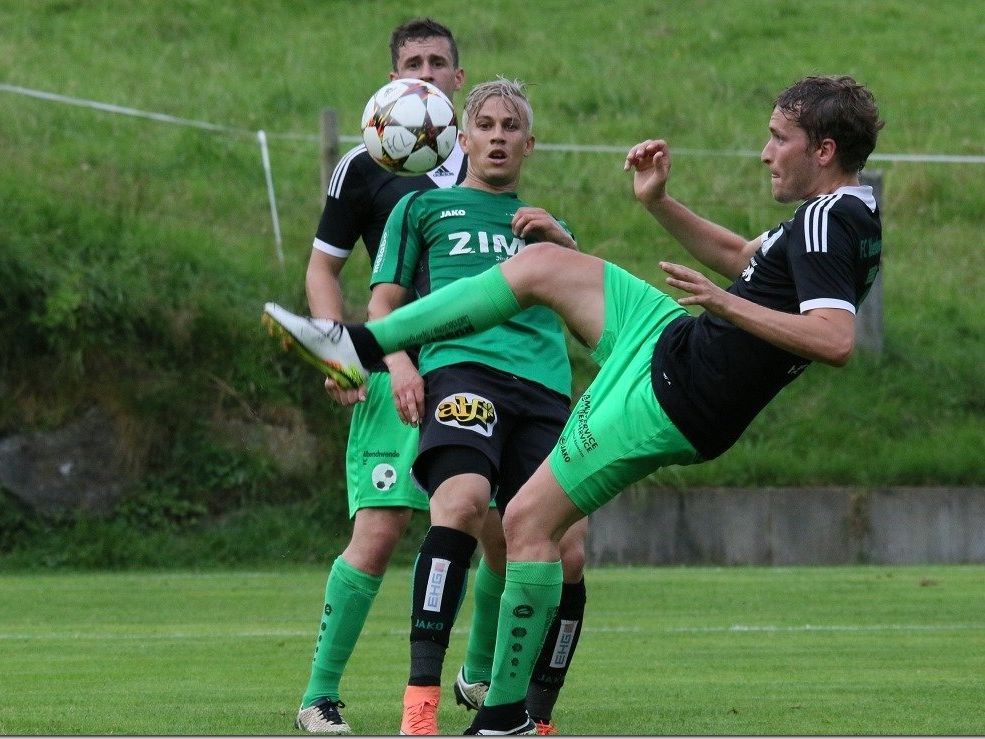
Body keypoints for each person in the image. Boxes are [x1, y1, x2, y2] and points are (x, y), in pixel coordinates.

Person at [264, 73, 883, 734]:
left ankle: (503, 715)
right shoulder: (838, 215)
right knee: (540, 267)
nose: (765, 152)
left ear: (821, 150)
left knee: (529, 521)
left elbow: (833, 338)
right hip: (671, 340)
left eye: (777, 139)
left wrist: (725, 302)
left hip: (675, 394)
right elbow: (740, 255)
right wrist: (658, 203)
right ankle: (353, 343)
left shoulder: (827, 220)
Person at [368, 77, 589, 736]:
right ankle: (420, 709)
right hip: (462, 372)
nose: (497, 135)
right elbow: (383, 303)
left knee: (566, 551)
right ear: (461, 139)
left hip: (544, 390)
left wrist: (561, 244)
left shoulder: (545, 228)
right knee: (461, 503)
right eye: (485, 125)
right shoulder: (423, 210)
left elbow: (591, 318)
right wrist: (400, 361)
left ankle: (530, 717)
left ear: (529, 143)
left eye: (509, 126)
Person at [292, 18, 480, 735]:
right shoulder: (363, 165)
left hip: (473, 368)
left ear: (457, 81)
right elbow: (323, 268)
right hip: (389, 364)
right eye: (412, 64)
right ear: (391, 81)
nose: (426, 74)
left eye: (438, 63)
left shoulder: (483, 156)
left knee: (496, 523)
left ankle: (479, 673)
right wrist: (341, 354)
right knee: (378, 529)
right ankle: (320, 693)